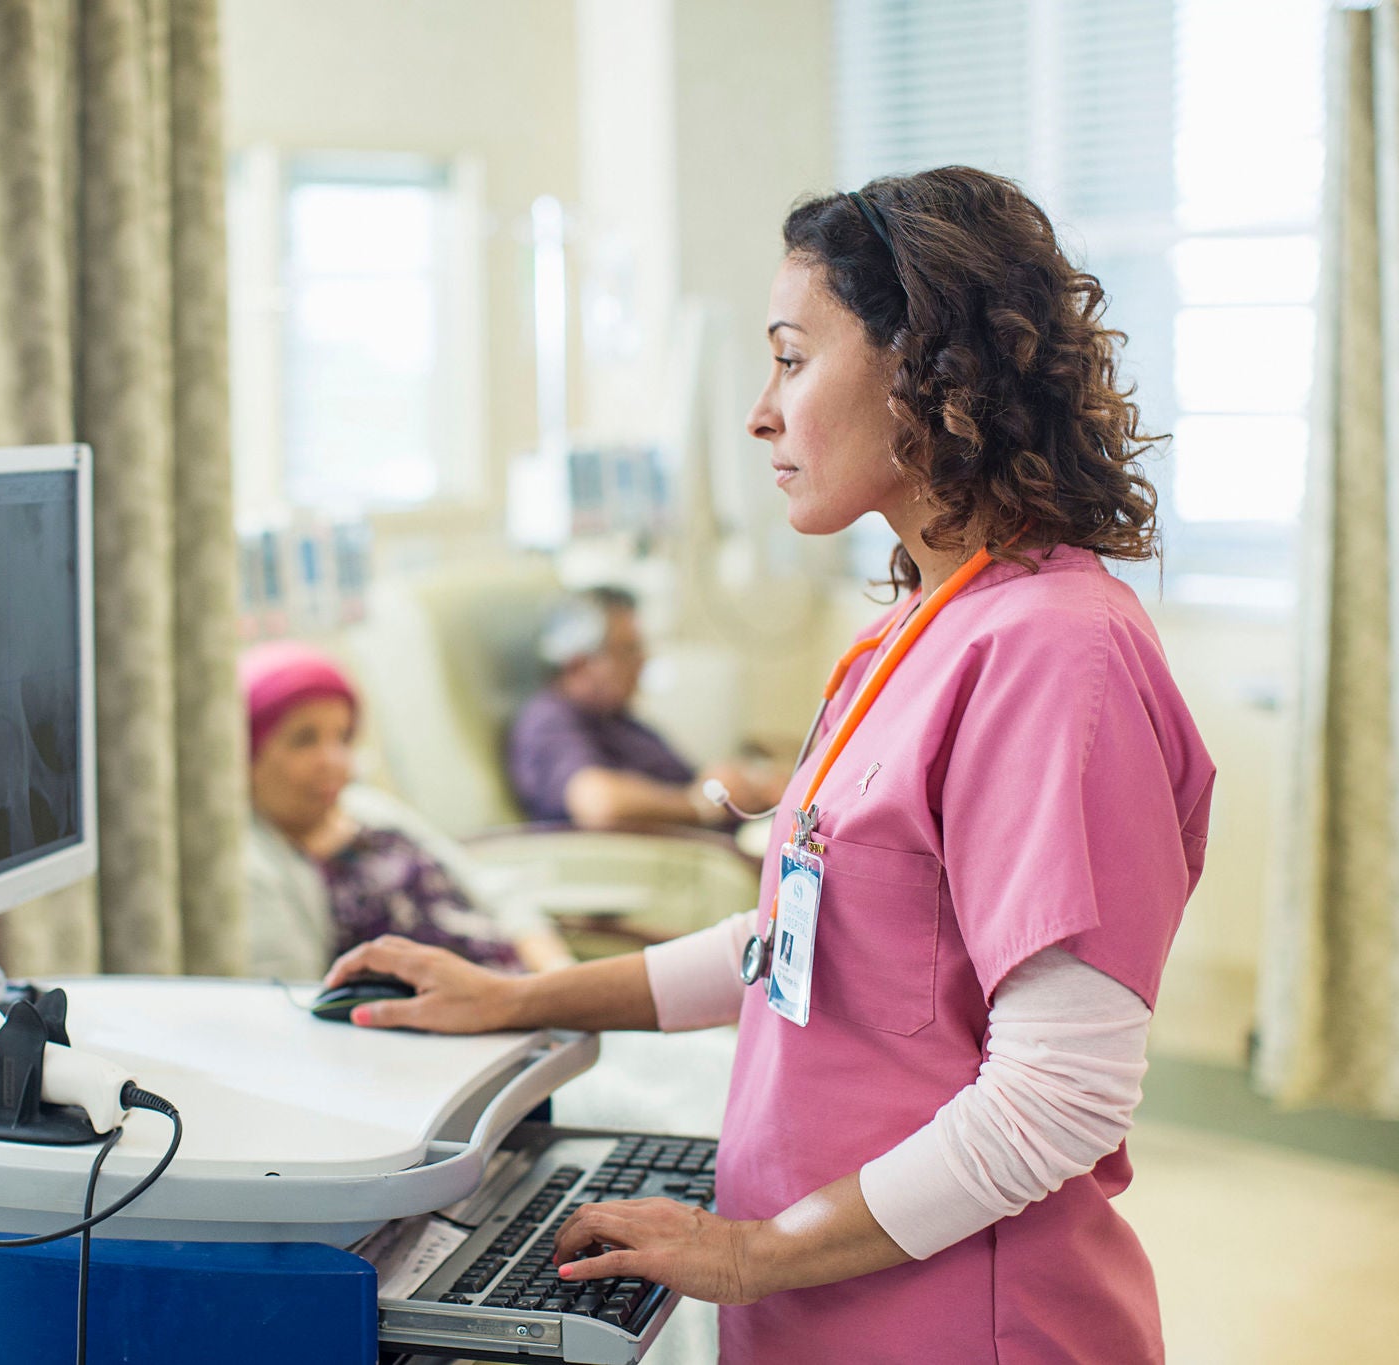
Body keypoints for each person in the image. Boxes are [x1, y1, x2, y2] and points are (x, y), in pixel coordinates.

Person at [325, 167, 1215, 1364]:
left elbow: (1057, 1100)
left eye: (791, 359)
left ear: (924, 366)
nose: (760, 412)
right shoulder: (910, 633)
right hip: (824, 1305)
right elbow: (800, 946)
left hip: (960, 1327)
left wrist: (750, 1253)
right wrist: (515, 1000)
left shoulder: (1058, 658)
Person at [240, 640, 573, 980]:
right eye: (304, 740)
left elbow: (497, 897)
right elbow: (295, 998)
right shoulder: (252, 865)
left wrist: (556, 981)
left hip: (527, 1001)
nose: (334, 762)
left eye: (343, 738)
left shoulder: (370, 809)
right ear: (247, 753)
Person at [507, 586, 785, 829]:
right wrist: (701, 803)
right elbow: (599, 802)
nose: (642, 661)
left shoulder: (615, 719)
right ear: (577, 663)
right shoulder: (550, 720)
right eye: (627, 650)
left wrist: (750, 789)